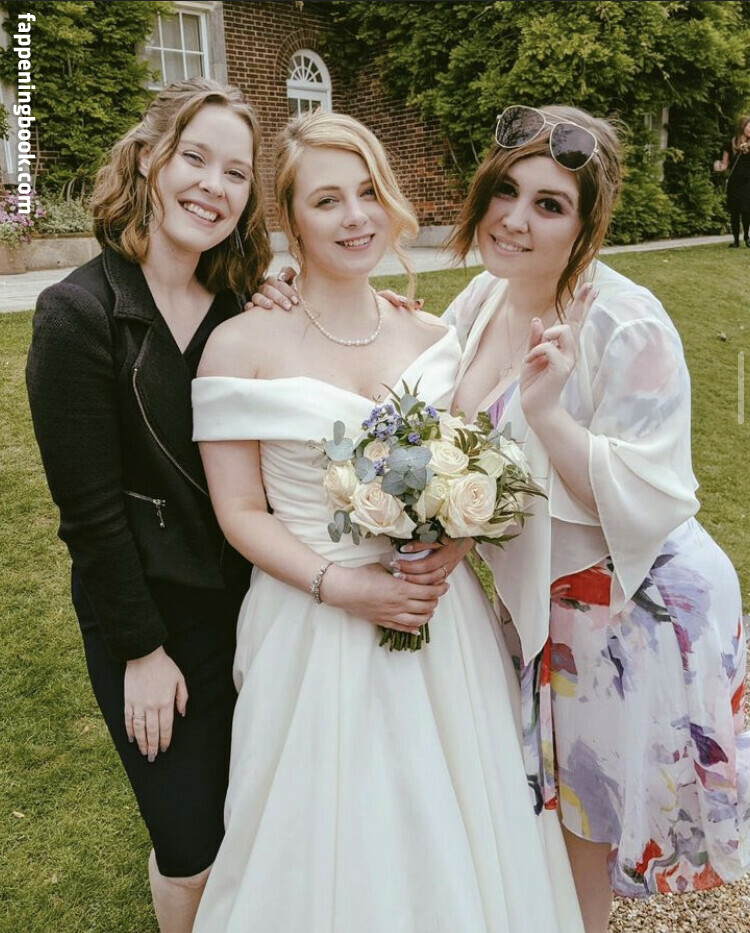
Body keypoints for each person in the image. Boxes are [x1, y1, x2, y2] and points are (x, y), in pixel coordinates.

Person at [256, 103, 750, 933]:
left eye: (550, 204)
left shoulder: (623, 322)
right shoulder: (486, 298)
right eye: (507, 192)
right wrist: (301, 290)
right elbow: (426, 399)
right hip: (542, 609)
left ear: (587, 224)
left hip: (629, 608)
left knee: (584, 837)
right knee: (554, 833)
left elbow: (651, 498)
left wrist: (548, 414)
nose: (516, 219)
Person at [189, 109, 584, 932]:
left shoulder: (434, 332)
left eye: (368, 191)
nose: (356, 216)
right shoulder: (240, 345)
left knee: (454, 820)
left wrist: (457, 538)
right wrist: (344, 587)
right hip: (311, 626)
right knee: (327, 833)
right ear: (290, 217)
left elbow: (475, 463)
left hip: (439, 621)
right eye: (327, 199)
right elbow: (240, 510)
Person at [25, 77, 274, 933]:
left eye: (234, 172)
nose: (213, 185)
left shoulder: (243, 307)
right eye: (194, 158)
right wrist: (140, 649)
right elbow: (89, 514)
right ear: (147, 160)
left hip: (252, 608)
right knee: (190, 848)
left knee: (253, 823)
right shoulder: (76, 314)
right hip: (151, 619)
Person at [714, 114, 750, 248]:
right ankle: (735, 240)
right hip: (734, 182)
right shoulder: (731, 143)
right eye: (749, 127)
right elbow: (724, 164)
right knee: (734, 211)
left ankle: (746, 236)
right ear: (742, 127)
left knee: (746, 210)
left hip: (748, 182)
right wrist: (718, 167)